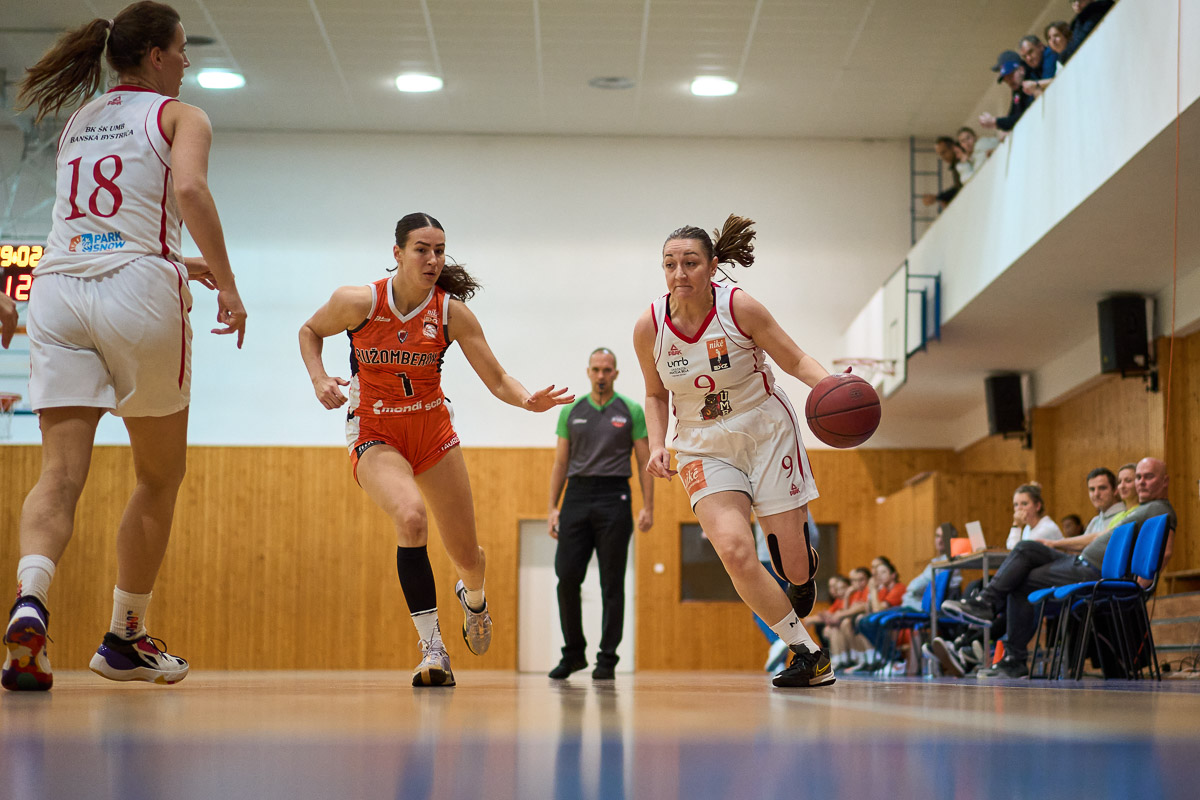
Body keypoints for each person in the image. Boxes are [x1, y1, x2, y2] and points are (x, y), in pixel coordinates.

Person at [2, 1, 248, 693]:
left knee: (58, 475)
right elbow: (189, 188)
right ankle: (123, 638)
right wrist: (227, 284)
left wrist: (172, 257)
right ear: (157, 56)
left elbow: (103, 222)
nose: (188, 60)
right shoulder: (181, 115)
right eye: (182, 48)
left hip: (57, 289)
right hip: (138, 292)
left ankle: (30, 600)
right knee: (159, 476)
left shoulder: (79, 120)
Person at [299, 212, 572, 687]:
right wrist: (319, 377)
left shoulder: (451, 313)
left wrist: (528, 400)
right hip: (375, 429)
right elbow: (309, 331)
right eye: (422, 249)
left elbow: (498, 378)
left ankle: (474, 598)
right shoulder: (358, 301)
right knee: (411, 518)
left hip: (432, 430)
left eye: (439, 251)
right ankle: (433, 649)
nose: (432, 259)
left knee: (467, 554)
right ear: (398, 253)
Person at [633, 215, 834, 689]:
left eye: (690, 263)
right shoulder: (649, 327)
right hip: (701, 444)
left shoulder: (739, 307)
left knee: (791, 566)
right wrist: (658, 443)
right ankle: (808, 653)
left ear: (712, 266)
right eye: (670, 264)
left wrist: (833, 386)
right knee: (735, 551)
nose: (679, 273)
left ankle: (801, 568)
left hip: (764, 429)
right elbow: (655, 394)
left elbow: (794, 359)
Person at [942, 458, 1177, 678]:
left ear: (1165, 481)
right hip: (1079, 562)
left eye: (1149, 477)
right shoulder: (1139, 510)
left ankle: (1003, 642)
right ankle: (986, 608)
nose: (1141, 482)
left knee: (1021, 575)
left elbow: (1164, 550)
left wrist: (1144, 584)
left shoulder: (1159, 509)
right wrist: (1055, 545)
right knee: (1026, 548)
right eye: (1139, 477)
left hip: (1091, 570)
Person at [546, 347, 653, 681]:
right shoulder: (571, 411)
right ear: (588, 372)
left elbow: (644, 461)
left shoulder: (631, 410)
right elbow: (561, 462)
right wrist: (552, 507)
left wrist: (648, 506)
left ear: (615, 373)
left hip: (614, 496)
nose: (601, 375)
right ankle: (573, 654)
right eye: (596, 369)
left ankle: (607, 659)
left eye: (607, 370)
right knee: (566, 577)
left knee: (612, 583)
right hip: (576, 496)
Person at [824, 567, 871, 669]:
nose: (857, 583)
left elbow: (861, 607)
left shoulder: (865, 590)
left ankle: (860, 658)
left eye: (861, 580)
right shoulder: (856, 593)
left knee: (848, 623)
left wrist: (841, 613)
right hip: (856, 620)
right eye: (854, 580)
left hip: (867, 621)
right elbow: (843, 611)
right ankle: (841, 658)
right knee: (833, 628)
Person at [980, 53, 1035, 134]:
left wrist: (996, 122)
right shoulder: (1017, 89)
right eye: (1005, 79)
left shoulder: (1032, 79)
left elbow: (1027, 113)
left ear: (1021, 69)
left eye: (1010, 76)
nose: (1009, 82)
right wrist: (1002, 126)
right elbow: (1013, 114)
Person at [1005, 483, 1063, 549]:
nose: (1019, 509)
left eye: (1024, 504)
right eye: (1016, 505)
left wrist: (1016, 525)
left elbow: (1015, 550)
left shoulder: (1046, 528)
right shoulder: (1028, 528)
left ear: (1037, 506)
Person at [921, 137, 962, 209]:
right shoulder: (955, 164)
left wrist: (938, 197)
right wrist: (941, 198)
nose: (943, 157)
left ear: (953, 148)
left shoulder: (962, 161)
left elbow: (960, 187)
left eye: (944, 152)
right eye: (940, 154)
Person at [1081, 467, 1124, 534]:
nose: (1096, 494)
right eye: (1092, 489)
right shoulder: (1094, 521)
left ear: (1115, 490)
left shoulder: (1127, 516)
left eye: (1102, 488)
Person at [1107, 463, 1140, 527]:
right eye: (1119, 482)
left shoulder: (1142, 511)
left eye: (1128, 481)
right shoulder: (1117, 517)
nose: (1122, 486)